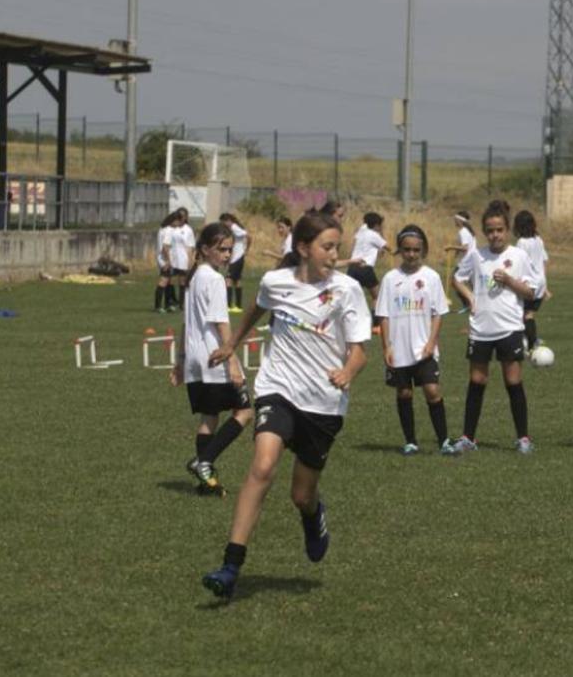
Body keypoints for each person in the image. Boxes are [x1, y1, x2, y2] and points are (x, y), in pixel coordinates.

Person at [200, 212, 370, 599]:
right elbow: (256, 309)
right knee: (261, 466)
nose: (333, 254)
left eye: (337, 248)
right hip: (279, 389)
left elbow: (361, 352)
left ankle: (313, 516)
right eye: (327, 247)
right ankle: (230, 566)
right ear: (303, 248)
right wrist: (233, 343)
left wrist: (348, 372)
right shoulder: (275, 282)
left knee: (301, 495)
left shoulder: (347, 290)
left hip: (324, 403)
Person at [451, 203, 542, 454]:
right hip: (480, 329)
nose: (495, 235)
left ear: (507, 229)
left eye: (500, 230)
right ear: (483, 231)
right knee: (477, 380)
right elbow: (457, 279)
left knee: (513, 380)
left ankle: (523, 438)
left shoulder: (519, 256)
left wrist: (510, 280)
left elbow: (532, 291)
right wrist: (470, 298)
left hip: (510, 327)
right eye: (490, 230)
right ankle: (468, 438)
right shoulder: (476, 255)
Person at [172, 222, 253, 494]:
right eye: (222, 250)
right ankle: (203, 461)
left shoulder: (194, 278)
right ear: (205, 250)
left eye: (230, 250)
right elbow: (221, 323)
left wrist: (181, 360)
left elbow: (186, 323)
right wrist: (232, 361)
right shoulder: (215, 279)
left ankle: (206, 483)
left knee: (209, 417)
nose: (227, 255)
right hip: (215, 357)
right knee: (244, 412)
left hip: (196, 359)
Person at [376, 225, 455, 456]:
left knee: (432, 390)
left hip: (424, 348)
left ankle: (444, 441)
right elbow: (383, 315)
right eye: (407, 249)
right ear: (400, 250)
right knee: (404, 393)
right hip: (399, 348)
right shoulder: (391, 279)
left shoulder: (431, 277)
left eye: (416, 250)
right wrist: (387, 346)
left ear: (423, 250)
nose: (411, 254)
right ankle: (410, 441)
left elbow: (438, 313)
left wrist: (432, 343)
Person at [345, 212, 389, 329]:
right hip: (365, 268)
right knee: (377, 297)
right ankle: (376, 325)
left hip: (352, 267)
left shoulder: (362, 231)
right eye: (380, 225)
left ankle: (348, 323)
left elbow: (356, 241)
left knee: (350, 296)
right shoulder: (374, 235)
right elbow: (388, 247)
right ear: (376, 225)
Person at [513, 210, 550, 352]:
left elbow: (518, 263)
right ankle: (531, 340)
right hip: (540, 282)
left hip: (529, 283)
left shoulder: (522, 242)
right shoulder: (538, 239)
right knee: (529, 313)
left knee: (523, 313)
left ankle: (530, 342)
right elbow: (545, 261)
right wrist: (545, 286)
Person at [444, 211, 476, 313]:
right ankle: (470, 303)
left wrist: (451, 247)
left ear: (460, 220)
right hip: (470, 259)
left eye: (455, 219)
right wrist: (456, 254)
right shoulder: (467, 231)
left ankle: (469, 303)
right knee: (471, 282)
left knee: (455, 281)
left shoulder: (463, 231)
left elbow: (465, 248)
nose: (454, 221)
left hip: (467, 260)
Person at [220, 213, 250, 313]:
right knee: (237, 280)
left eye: (223, 222)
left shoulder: (234, 227)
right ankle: (238, 306)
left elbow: (248, 236)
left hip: (237, 257)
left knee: (228, 280)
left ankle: (228, 305)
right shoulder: (233, 228)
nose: (223, 224)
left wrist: (246, 249)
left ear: (228, 220)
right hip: (237, 257)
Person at [169, 209, 195, 310]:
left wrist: (190, 261)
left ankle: (182, 303)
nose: (182, 218)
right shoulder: (172, 229)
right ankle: (171, 301)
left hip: (183, 259)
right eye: (180, 216)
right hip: (173, 258)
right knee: (169, 281)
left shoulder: (188, 230)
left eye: (183, 216)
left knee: (182, 282)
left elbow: (190, 246)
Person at [155, 212, 179, 312]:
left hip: (161, 258)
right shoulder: (169, 231)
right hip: (165, 260)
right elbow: (165, 247)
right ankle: (158, 306)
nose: (178, 224)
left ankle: (168, 304)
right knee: (163, 281)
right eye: (178, 221)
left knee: (169, 281)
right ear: (173, 221)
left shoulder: (162, 230)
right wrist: (168, 261)